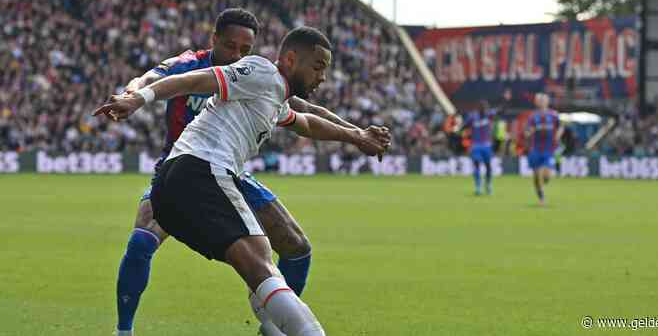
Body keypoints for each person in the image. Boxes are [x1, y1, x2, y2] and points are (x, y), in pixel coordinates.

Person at [96, 26, 391, 335]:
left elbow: (305, 121)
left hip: (178, 182)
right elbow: (193, 80)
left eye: (245, 47)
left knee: (264, 264)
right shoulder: (259, 69)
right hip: (202, 168)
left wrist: (356, 135)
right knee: (263, 268)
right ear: (290, 59)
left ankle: (273, 324)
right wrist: (138, 97)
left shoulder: (274, 94)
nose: (323, 77)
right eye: (318, 67)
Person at [525, 94, 562, 205]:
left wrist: (558, 135)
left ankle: (544, 181)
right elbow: (528, 130)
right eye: (539, 100)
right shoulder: (533, 117)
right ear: (536, 103)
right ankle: (541, 198)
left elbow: (560, 126)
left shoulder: (553, 115)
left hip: (549, 149)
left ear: (547, 102)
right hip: (535, 149)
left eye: (543, 100)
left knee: (546, 175)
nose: (541, 102)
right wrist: (528, 133)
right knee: (537, 176)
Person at [462, 101, 496, 195]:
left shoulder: (489, 115)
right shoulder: (473, 117)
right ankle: (478, 186)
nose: (484, 109)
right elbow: (465, 125)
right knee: (476, 165)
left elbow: (502, 110)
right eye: (482, 108)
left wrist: (506, 100)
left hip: (486, 145)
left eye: (485, 108)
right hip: (476, 145)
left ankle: (488, 184)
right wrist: (462, 129)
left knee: (488, 166)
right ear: (479, 108)